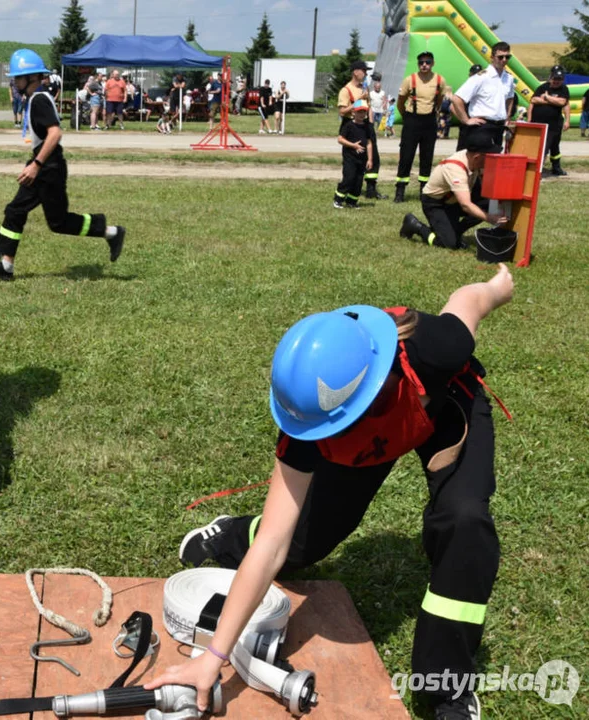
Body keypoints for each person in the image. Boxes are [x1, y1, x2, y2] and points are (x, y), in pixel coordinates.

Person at [157, 261, 516, 720]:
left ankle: (445, 687)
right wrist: (213, 659)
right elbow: (274, 543)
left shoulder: (433, 348)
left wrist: (496, 286)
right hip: (371, 436)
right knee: (306, 542)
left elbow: (468, 303)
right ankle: (229, 534)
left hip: (444, 412)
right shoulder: (309, 424)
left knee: (465, 520)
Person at [0, 49, 126, 281]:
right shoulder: (37, 98)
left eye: (17, 78)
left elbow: (55, 134)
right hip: (45, 164)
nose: (14, 83)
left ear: (31, 78)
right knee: (20, 211)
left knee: (56, 221)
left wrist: (36, 164)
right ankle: (6, 265)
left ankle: (111, 232)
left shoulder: (39, 100)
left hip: (48, 166)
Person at [399, 130, 508, 250]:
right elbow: (466, 205)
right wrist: (489, 218)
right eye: (489, 155)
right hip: (436, 203)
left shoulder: (474, 160)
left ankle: (455, 232)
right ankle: (415, 226)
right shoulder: (456, 169)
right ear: (477, 157)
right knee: (448, 243)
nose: (492, 158)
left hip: (453, 200)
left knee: (487, 205)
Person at [394, 51, 450, 202]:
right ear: (418, 64)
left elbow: (439, 100)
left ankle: (424, 191)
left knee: (427, 156)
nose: (424, 65)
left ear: (433, 63)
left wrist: (435, 114)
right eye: (421, 62)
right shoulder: (410, 80)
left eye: (428, 62)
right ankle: (400, 192)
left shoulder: (439, 80)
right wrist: (406, 116)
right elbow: (400, 101)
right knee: (406, 156)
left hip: (429, 121)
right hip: (412, 120)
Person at [452, 42, 515, 151]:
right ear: (492, 57)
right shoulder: (481, 77)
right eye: (500, 57)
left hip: (499, 126)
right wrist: (466, 120)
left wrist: (508, 116)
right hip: (482, 126)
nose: (504, 60)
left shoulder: (509, 78)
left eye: (507, 57)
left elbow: (510, 97)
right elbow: (457, 98)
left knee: (494, 161)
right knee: (478, 162)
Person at [339, 60, 386, 199]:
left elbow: (369, 107)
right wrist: (359, 99)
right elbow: (342, 112)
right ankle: (347, 187)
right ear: (355, 72)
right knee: (353, 159)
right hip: (351, 124)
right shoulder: (346, 90)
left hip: (365, 125)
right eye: (364, 71)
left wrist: (370, 125)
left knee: (373, 158)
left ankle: (371, 189)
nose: (366, 74)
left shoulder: (364, 88)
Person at [530, 65, 571, 177]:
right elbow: (533, 99)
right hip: (538, 123)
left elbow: (563, 103)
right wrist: (553, 101)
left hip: (554, 124)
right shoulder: (542, 87)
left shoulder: (564, 89)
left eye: (559, 79)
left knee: (552, 146)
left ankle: (554, 168)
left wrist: (547, 98)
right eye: (555, 78)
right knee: (540, 146)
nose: (557, 81)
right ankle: (536, 170)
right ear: (550, 77)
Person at [334, 99, 373, 209]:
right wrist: (353, 145)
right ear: (353, 112)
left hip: (362, 159)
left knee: (358, 181)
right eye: (359, 111)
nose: (361, 114)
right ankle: (338, 199)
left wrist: (370, 159)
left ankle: (352, 201)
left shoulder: (367, 127)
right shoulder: (348, 125)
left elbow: (369, 143)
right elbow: (340, 139)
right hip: (350, 158)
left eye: (364, 112)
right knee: (349, 178)